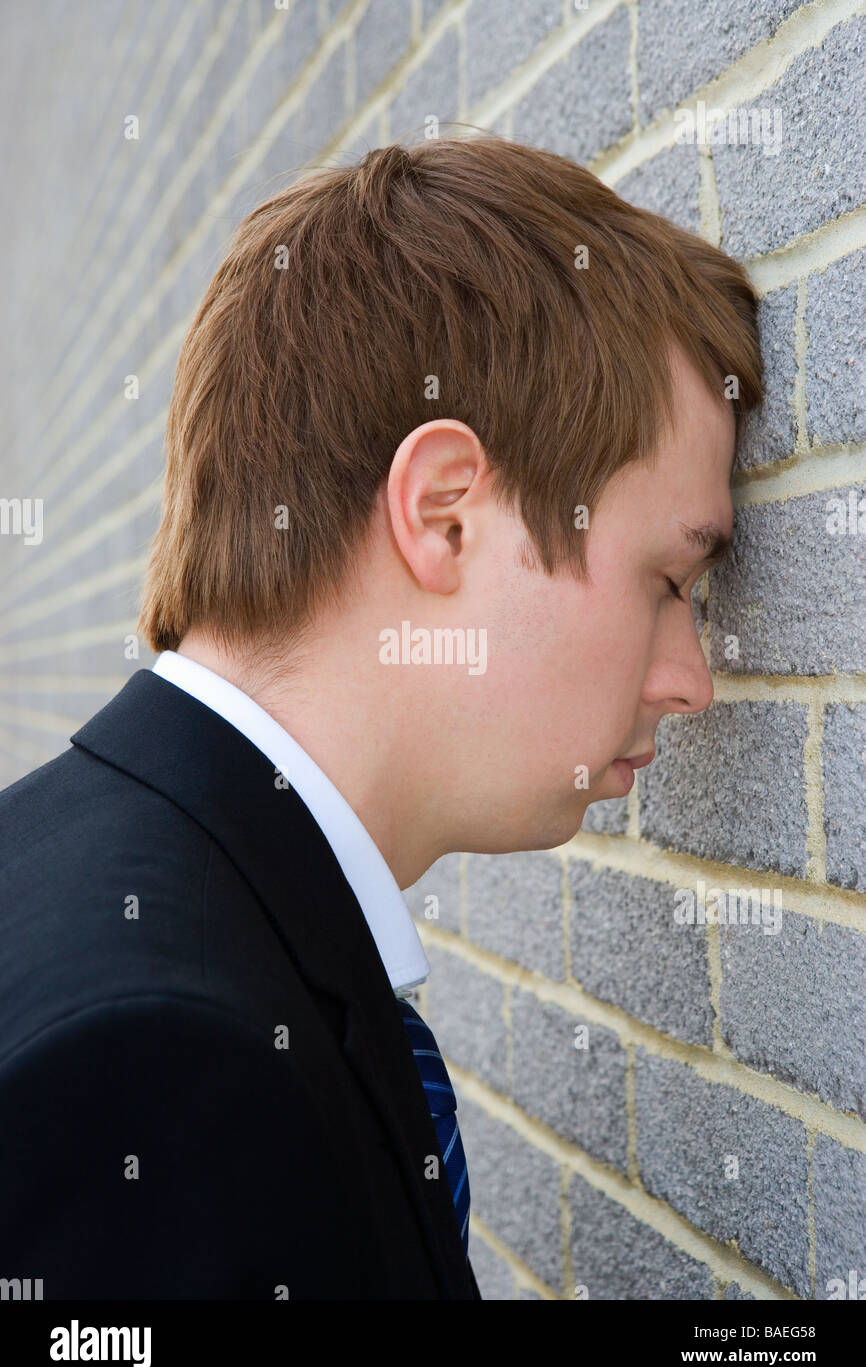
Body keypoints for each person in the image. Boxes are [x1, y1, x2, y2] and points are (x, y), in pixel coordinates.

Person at [0, 136, 763, 1299]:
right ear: (445, 515)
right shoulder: (163, 1059)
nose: (689, 680)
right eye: (666, 581)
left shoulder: (92, 872)